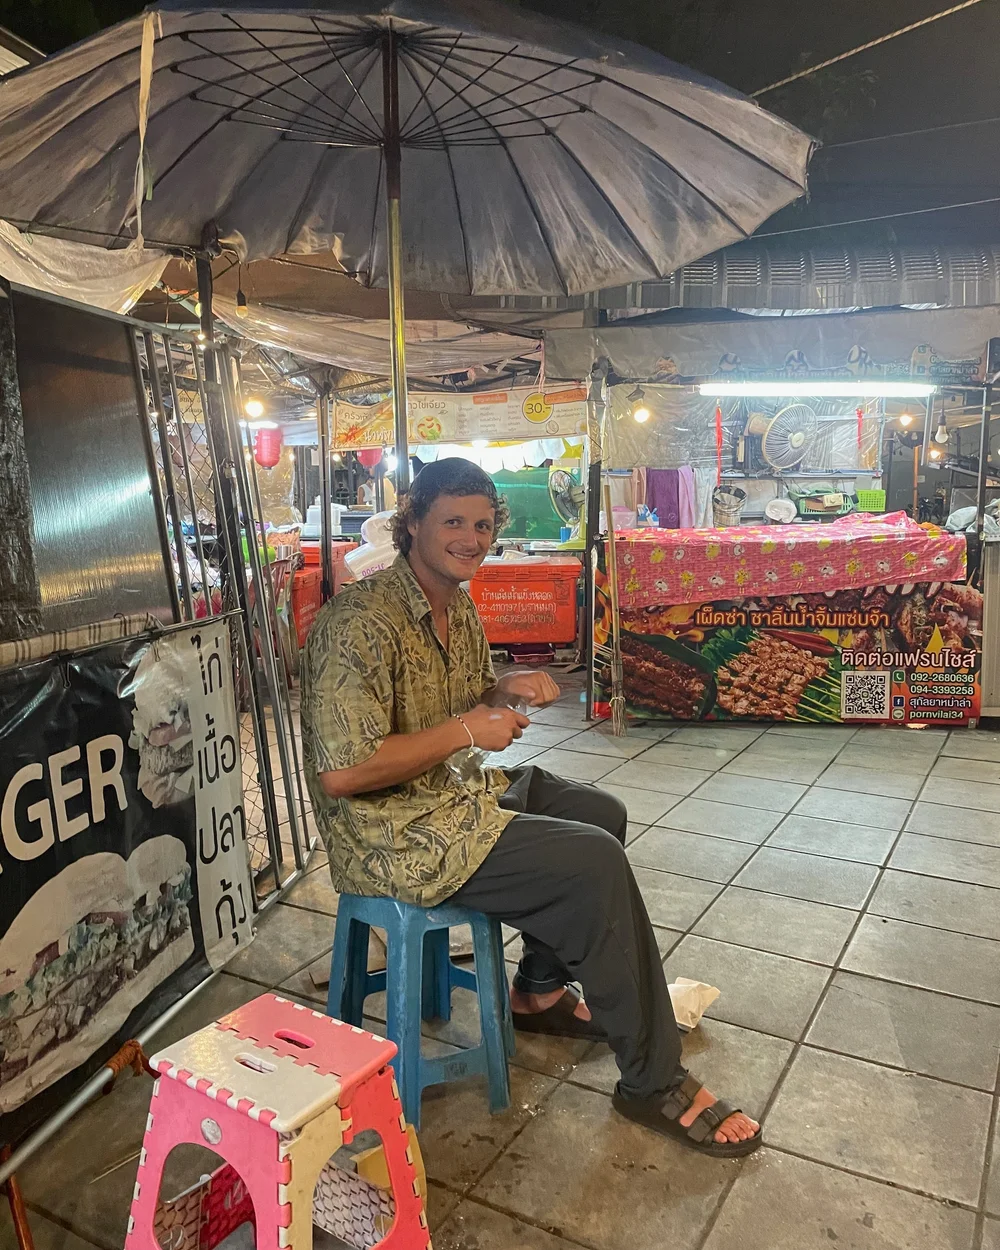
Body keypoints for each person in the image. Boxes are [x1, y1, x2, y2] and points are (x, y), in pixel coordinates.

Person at [301, 458, 760, 1156]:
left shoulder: (458, 605)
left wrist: (503, 690)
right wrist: (466, 730)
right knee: (591, 863)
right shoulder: (359, 621)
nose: (471, 539)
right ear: (413, 523)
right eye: (453, 522)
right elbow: (343, 773)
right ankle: (653, 1081)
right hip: (392, 832)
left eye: (483, 525)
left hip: (452, 792)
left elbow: (464, 705)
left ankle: (539, 992)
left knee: (599, 813)